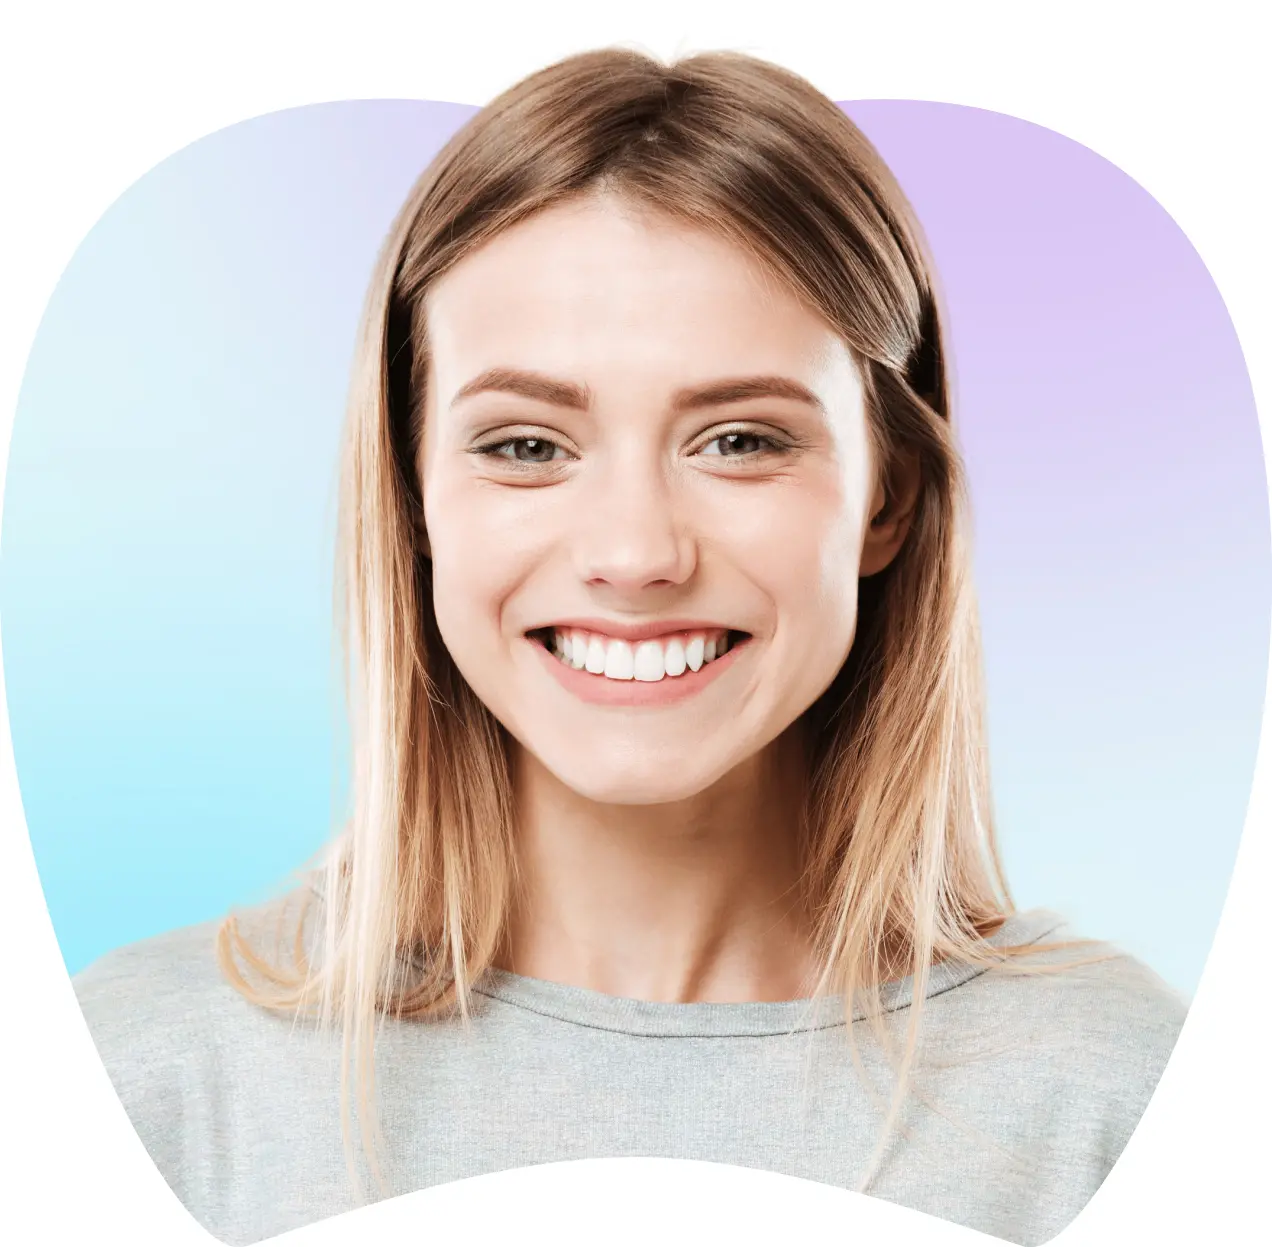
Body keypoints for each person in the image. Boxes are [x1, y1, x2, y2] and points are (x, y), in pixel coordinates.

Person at [72, 46, 1187, 1247]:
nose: (635, 551)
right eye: (527, 446)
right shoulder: (142, 1077)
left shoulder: (1117, 1098)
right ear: (412, 496)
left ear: (888, 498)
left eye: (742, 440)